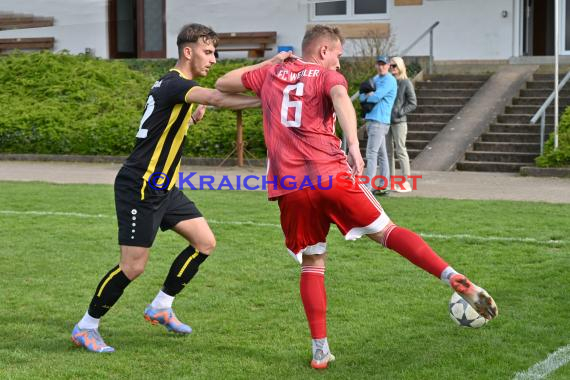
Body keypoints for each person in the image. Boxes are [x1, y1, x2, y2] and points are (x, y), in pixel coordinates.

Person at [216, 25, 498, 369]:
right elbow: (339, 99)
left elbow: (223, 83)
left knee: (313, 262)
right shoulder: (324, 75)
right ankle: (451, 276)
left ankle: (320, 350)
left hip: (290, 186)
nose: (339, 61)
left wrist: (271, 64)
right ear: (322, 51)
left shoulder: (273, 73)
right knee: (387, 232)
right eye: (337, 54)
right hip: (329, 174)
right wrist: (353, 142)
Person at [71, 23, 262, 353]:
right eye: (208, 52)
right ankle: (86, 326)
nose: (214, 59)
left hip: (166, 188)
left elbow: (178, 120)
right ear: (188, 52)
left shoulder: (175, 88)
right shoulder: (176, 84)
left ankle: (161, 305)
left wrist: (193, 116)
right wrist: (269, 93)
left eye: (215, 52)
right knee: (133, 266)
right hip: (141, 186)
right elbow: (218, 97)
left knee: (205, 243)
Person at [359, 55, 397, 192]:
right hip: (372, 119)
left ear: (388, 66)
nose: (381, 67)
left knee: (371, 153)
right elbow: (361, 96)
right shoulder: (375, 79)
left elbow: (376, 97)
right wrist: (368, 95)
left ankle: (368, 187)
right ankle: (383, 185)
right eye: (379, 64)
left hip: (379, 121)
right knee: (381, 154)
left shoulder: (390, 80)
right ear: (376, 65)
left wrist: (370, 94)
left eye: (384, 64)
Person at [387, 56, 417, 193]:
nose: (391, 68)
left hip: (399, 122)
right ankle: (390, 182)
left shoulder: (406, 83)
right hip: (386, 121)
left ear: (400, 67)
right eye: (390, 65)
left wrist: (400, 112)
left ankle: (406, 182)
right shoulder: (388, 82)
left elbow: (413, 103)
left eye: (394, 66)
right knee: (388, 153)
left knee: (401, 151)